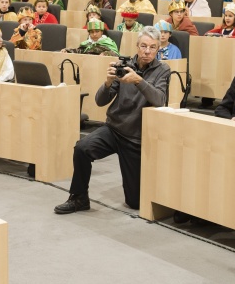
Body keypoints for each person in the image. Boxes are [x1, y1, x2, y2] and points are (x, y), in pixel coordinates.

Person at [54, 26, 170, 213]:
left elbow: (160, 100)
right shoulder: (124, 65)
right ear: (137, 46)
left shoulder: (162, 70)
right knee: (82, 148)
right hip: (114, 129)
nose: (147, 51)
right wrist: (108, 82)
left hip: (136, 138)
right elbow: (100, 101)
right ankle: (79, 198)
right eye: (143, 46)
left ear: (158, 49)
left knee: (135, 202)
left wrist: (138, 81)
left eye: (152, 47)